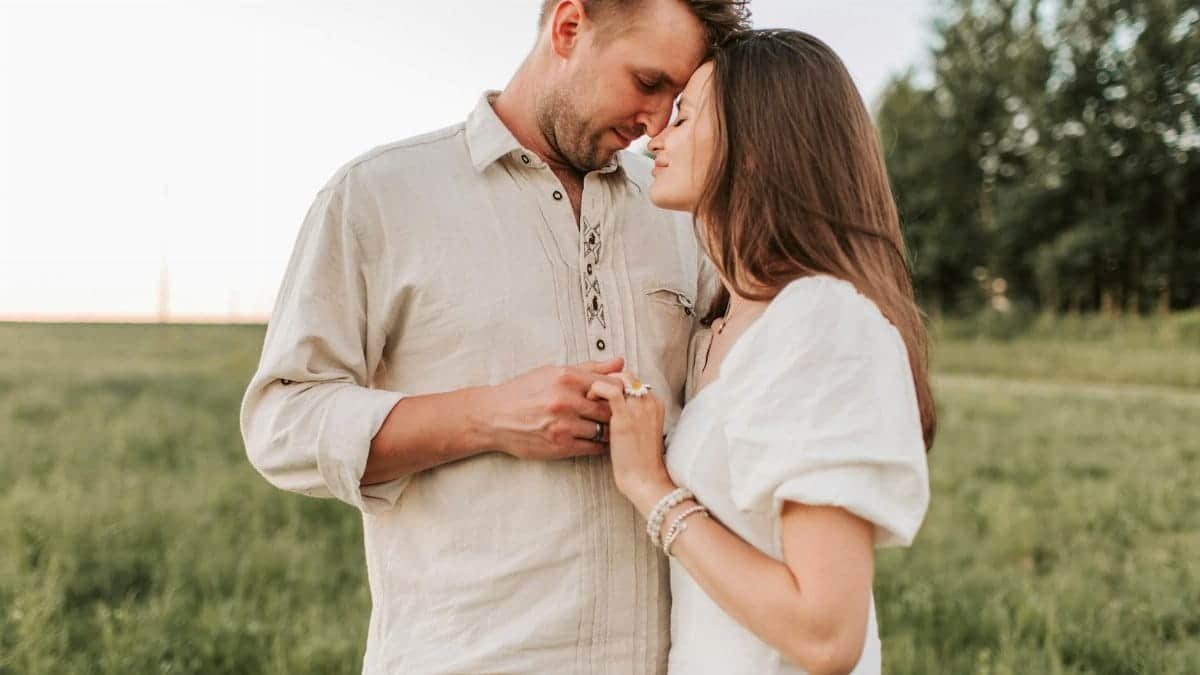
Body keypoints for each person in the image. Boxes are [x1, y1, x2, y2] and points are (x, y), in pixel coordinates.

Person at [240, 1, 749, 672]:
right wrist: (488, 415)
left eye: (676, 99)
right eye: (647, 82)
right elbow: (281, 421)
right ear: (569, 27)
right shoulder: (380, 196)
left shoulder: (683, 209)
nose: (656, 122)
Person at [587, 30, 936, 675]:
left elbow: (826, 635)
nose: (654, 136)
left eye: (684, 115)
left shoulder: (823, 322)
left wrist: (651, 488)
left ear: (756, 149)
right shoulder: (725, 318)